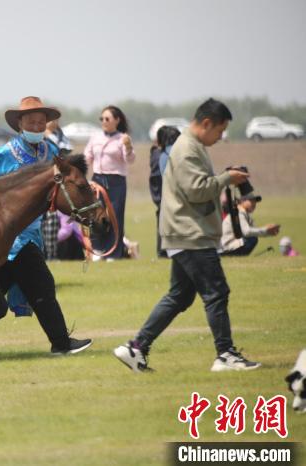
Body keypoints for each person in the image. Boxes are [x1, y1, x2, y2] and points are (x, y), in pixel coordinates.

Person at [114, 98, 261, 372]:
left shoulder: (193, 146)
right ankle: (225, 355)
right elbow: (197, 190)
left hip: (186, 232)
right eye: (220, 131)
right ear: (206, 123)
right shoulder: (186, 149)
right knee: (216, 291)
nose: (220, 137)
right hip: (190, 233)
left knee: (180, 296)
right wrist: (227, 178)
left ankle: (136, 349)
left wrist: (225, 177)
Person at [0, 96, 93, 356]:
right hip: (8, 235)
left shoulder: (51, 154)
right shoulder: (6, 153)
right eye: (31, 122)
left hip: (30, 233)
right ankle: (61, 343)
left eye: (40, 122)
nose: (36, 126)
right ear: (20, 124)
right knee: (41, 285)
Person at [84, 105, 135, 260]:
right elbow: (87, 156)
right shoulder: (95, 137)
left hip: (116, 181)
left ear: (117, 120)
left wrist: (128, 147)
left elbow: (130, 160)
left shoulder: (123, 138)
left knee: (115, 217)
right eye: (102, 119)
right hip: (97, 180)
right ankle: (97, 251)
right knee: (96, 216)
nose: (104, 121)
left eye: (107, 118)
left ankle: (114, 252)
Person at [41, 117, 73, 259]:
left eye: (56, 119)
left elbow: (64, 156)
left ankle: (51, 256)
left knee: (52, 223)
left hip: (56, 186)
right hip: (40, 184)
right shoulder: (38, 138)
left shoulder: (61, 138)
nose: (53, 122)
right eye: (50, 119)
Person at [149, 126, 181, 257]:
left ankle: (162, 252)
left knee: (162, 224)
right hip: (170, 195)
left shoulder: (157, 154)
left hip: (160, 196)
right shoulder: (170, 154)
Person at [221, 192, 279, 256]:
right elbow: (247, 232)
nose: (254, 203)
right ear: (243, 201)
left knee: (253, 238)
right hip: (225, 248)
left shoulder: (245, 214)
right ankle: (238, 256)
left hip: (227, 246)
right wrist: (266, 230)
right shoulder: (239, 212)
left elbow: (254, 231)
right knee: (252, 239)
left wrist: (268, 232)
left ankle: (239, 257)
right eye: (251, 201)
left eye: (255, 201)